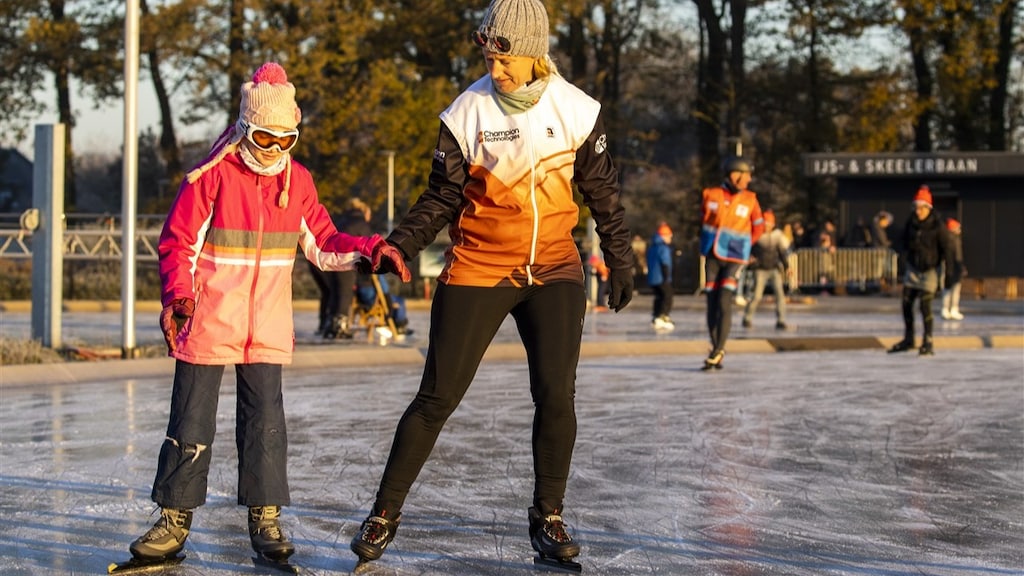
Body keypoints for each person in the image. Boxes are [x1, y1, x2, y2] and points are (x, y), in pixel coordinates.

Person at [349, 0, 634, 569]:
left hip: (554, 268)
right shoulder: (466, 113)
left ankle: (548, 517)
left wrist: (620, 259)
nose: (495, 70)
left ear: (532, 53)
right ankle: (383, 514)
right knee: (437, 397)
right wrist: (400, 244)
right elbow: (441, 197)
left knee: (556, 396)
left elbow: (601, 192)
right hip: (480, 267)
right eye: (489, 57)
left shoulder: (577, 110)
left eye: (504, 59)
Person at [127, 62, 410, 566]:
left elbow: (324, 243)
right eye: (265, 137)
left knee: (266, 425)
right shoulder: (211, 177)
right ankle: (174, 519)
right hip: (208, 318)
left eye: (287, 139)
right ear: (244, 128)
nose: (275, 149)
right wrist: (178, 296)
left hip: (266, 325)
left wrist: (370, 249)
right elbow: (177, 244)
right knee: (191, 420)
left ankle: (266, 517)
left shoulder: (296, 182)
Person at [699, 156, 764, 370]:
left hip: (735, 256)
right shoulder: (711, 194)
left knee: (725, 300)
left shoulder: (751, 200)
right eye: (747, 175)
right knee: (712, 301)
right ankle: (716, 347)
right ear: (735, 175)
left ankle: (718, 349)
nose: (749, 180)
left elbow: (759, 227)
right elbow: (703, 219)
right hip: (713, 254)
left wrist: (746, 244)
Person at [888, 185, 954, 356]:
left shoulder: (938, 226)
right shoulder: (911, 223)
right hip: (913, 268)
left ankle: (928, 340)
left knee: (925, 305)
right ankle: (909, 338)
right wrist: (902, 257)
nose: (918, 211)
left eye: (921, 208)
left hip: (930, 270)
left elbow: (947, 249)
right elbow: (902, 242)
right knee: (906, 302)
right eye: (916, 208)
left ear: (928, 208)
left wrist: (950, 274)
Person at [309, 198, 374, 339]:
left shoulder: (342, 219)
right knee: (345, 293)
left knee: (332, 292)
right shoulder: (360, 223)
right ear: (364, 212)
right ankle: (340, 326)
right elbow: (369, 246)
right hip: (347, 259)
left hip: (330, 258)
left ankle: (327, 324)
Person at [742, 209, 790, 330]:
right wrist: (751, 260)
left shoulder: (777, 235)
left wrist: (787, 266)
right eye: (765, 224)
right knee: (757, 296)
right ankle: (747, 317)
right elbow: (749, 249)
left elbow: (782, 252)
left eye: (769, 224)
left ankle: (781, 320)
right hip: (760, 269)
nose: (767, 227)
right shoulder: (757, 235)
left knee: (780, 295)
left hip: (774, 268)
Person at [646, 222, 674, 330]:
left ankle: (656, 316)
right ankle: (663, 316)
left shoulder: (652, 247)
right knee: (668, 296)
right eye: (669, 236)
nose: (670, 238)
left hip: (652, 278)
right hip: (662, 277)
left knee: (658, 297)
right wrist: (667, 277)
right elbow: (665, 262)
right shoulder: (663, 248)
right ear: (664, 236)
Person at [941, 218, 966, 320]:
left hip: (952, 267)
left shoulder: (952, 239)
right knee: (950, 289)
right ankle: (949, 309)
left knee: (951, 289)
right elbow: (957, 256)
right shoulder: (952, 240)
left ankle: (950, 309)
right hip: (951, 267)